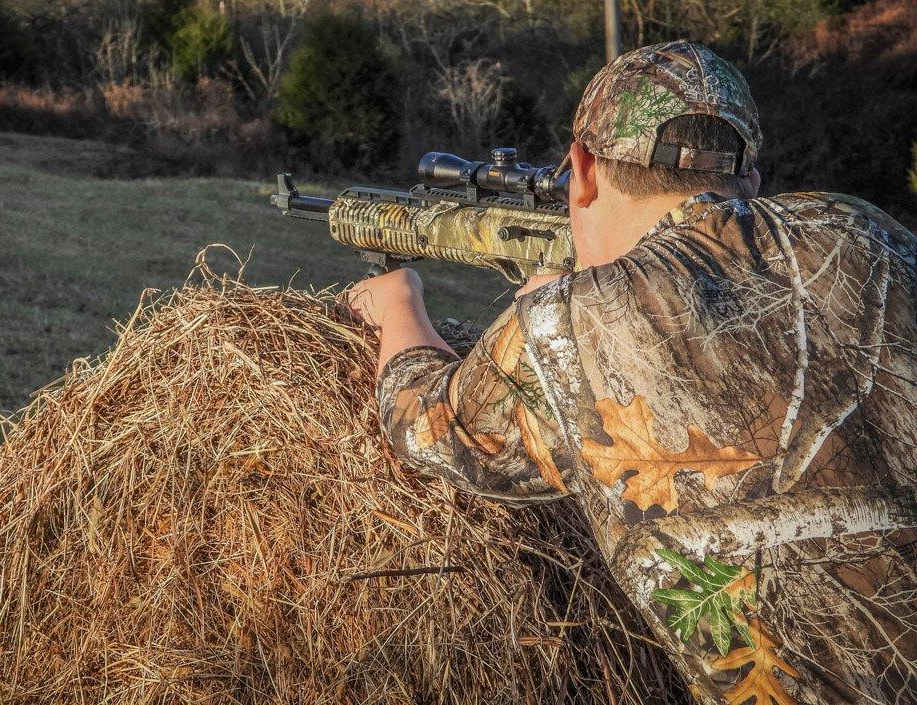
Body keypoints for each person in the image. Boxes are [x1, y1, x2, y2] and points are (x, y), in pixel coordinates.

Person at [349, 40, 917, 705]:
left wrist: (397, 304)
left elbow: (426, 426)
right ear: (748, 178)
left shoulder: (567, 323)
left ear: (581, 169)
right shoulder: (868, 234)